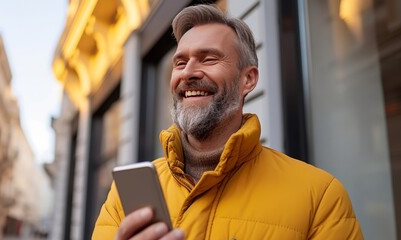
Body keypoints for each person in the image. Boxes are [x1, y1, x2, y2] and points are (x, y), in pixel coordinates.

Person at [92, 4, 363, 240]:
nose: (188, 73)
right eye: (180, 62)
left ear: (248, 79)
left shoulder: (321, 199)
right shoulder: (123, 198)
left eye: (208, 59)